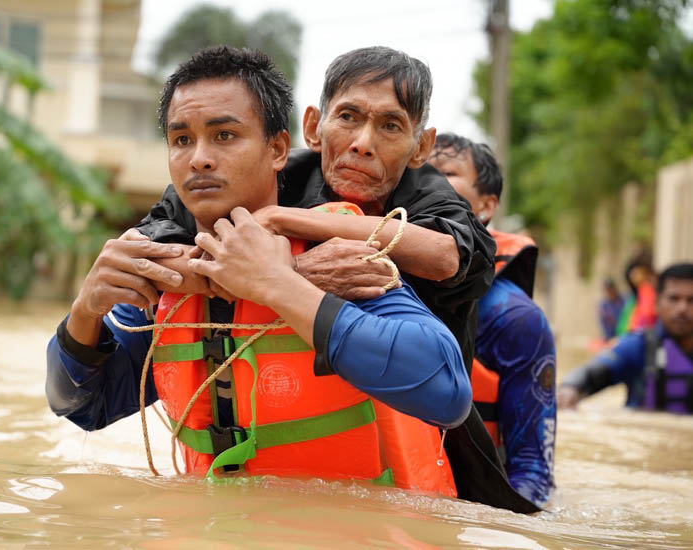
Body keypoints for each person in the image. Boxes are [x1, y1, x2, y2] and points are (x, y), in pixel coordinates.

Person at [47, 46, 471, 495]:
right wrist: (85, 310)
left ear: (278, 149)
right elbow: (79, 407)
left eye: (225, 136)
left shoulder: (341, 251)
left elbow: (446, 392)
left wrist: (278, 284)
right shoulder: (166, 273)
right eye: (181, 140)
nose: (199, 159)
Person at [133, 46, 539, 513]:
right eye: (347, 117)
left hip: (435, 433)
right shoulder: (253, 171)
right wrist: (279, 274)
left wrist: (288, 227)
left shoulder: (431, 194)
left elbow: (447, 257)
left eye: (390, 126)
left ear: (421, 147)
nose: (363, 143)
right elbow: (148, 246)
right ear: (313, 127)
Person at [427, 133, 556, 508]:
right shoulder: (369, 276)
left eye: (447, 173)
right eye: (420, 170)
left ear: (487, 205)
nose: (428, 181)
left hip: (477, 500)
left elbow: (532, 471)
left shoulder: (515, 319)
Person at [558, 263, 693, 413]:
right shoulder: (639, 345)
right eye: (674, 299)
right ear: (658, 303)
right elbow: (593, 372)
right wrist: (570, 387)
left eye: (691, 300)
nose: (683, 308)